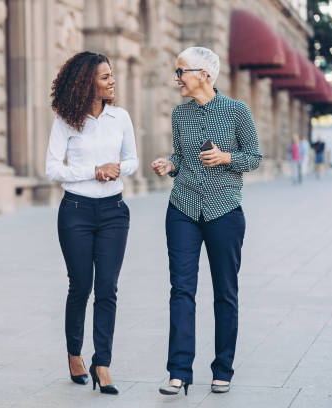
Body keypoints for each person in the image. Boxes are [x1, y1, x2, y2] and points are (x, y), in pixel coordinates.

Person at [151, 47, 261, 396]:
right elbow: (181, 158)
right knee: (181, 290)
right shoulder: (179, 115)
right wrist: (169, 165)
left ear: (204, 75)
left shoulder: (237, 111)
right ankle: (178, 371)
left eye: (181, 71)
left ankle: (222, 368)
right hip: (182, 209)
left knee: (225, 292)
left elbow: (255, 157)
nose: (176, 78)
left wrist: (227, 156)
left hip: (224, 211)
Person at [46, 51, 138, 395]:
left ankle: (103, 363)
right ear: (87, 82)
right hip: (76, 212)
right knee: (81, 285)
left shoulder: (120, 117)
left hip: (114, 212)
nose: (112, 81)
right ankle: (74, 355)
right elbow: (52, 168)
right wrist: (93, 170)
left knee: (108, 289)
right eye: (104, 76)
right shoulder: (66, 120)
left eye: (111, 75)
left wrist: (117, 168)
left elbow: (132, 159)